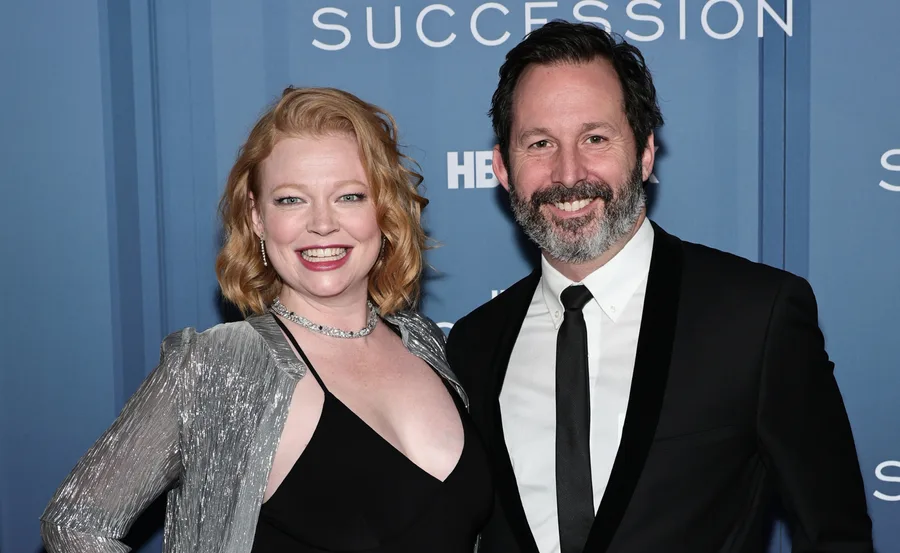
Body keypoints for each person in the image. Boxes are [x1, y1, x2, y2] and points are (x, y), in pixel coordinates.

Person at [446, 20, 873, 553]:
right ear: (502, 168)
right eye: (539, 143)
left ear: (645, 152)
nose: (568, 171)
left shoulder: (755, 318)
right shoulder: (473, 343)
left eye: (595, 138)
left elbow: (835, 536)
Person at [40, 86, 492, 553]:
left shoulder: (421, 342)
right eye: (291, 200)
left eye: (350, 196)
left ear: (384, 209)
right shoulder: (215, 366)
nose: (321, 223)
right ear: (257, 216)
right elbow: (76, 523)